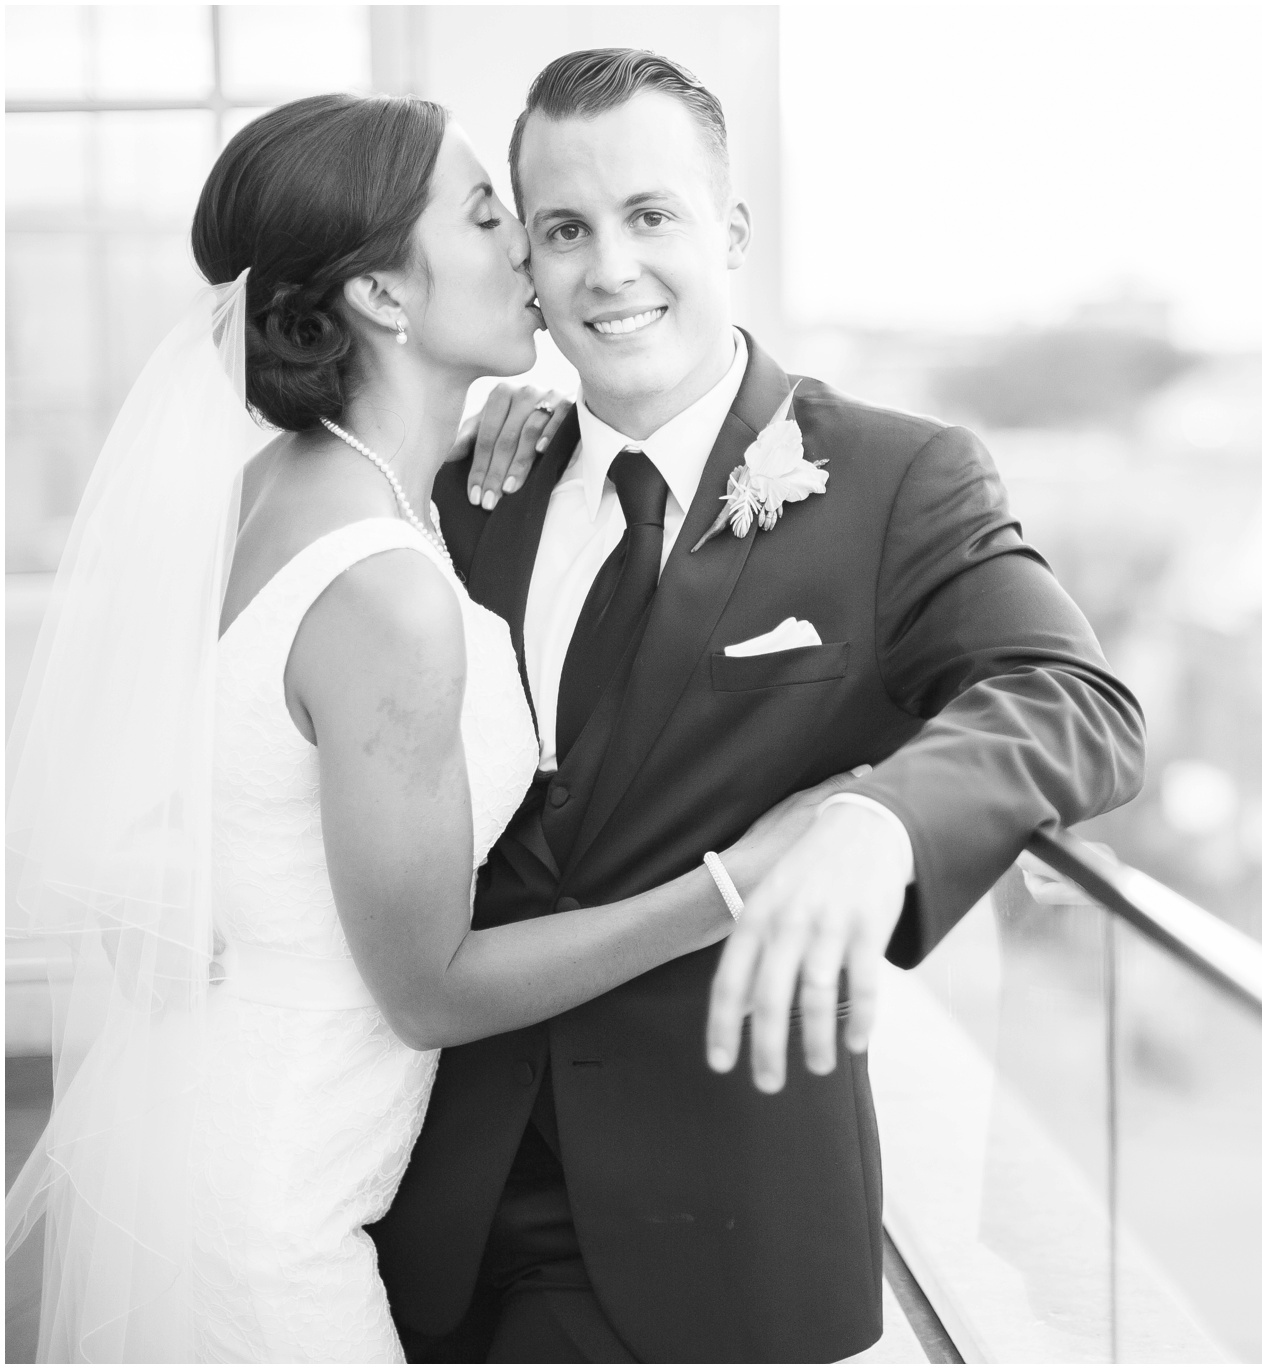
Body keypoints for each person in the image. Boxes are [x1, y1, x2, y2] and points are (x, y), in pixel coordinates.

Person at [3, 92, 853, 1363]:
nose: (528, 246)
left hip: (206, 1125)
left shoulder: (278, 492)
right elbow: (428, 991)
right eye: (485, 213)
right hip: (281, 1213)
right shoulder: (387, 592)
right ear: (385, 300)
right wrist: (737, 884)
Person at [370, 48, 1146, 1364]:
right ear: (529, 269)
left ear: (731, 231)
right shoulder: (471, 486)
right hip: (429, 1206)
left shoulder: (898, 479)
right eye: (564, 229)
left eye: (651, 216)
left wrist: (882, 823)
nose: (609, 268)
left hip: (718, 1231)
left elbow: (1076, 699)